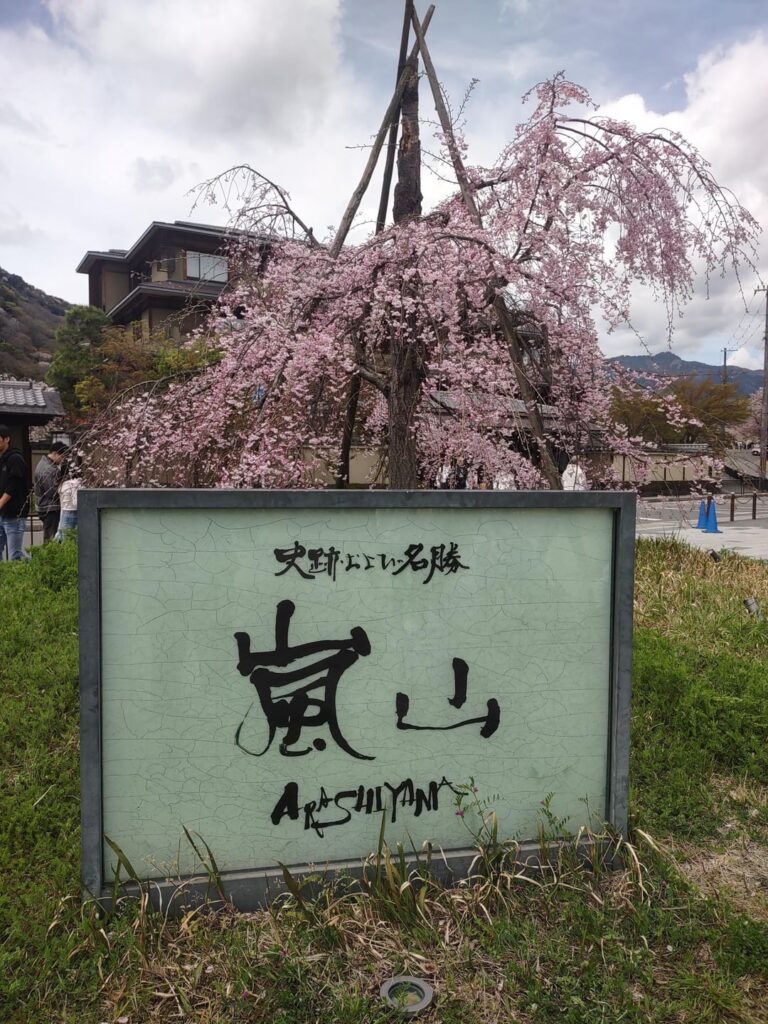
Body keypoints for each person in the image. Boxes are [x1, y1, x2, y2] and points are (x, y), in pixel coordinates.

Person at [0, 424, 31, 561]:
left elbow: (14, 485)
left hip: (15, 513)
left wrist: (0, 503)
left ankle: (37, 568)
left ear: (6, 439)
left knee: (15, 554)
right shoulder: (2, 459)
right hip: (2, 513)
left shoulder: (15, 458)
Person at [33, 442, 67, 542]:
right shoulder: (48, 469)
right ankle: (49, 557)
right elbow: (52, 491)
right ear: (55, 453)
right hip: (50, 508)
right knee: (51, 538)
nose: (63, 460)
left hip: (46, 507)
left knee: (51, 536)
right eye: (62, 456)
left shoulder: (44, 465)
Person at [55, 466, 81, 540]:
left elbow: (62, 505)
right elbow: (76, 503)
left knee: (65, 539)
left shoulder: (63, 484)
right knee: (72, 539)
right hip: (72, 511)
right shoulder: (75, 483)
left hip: (65, 512)